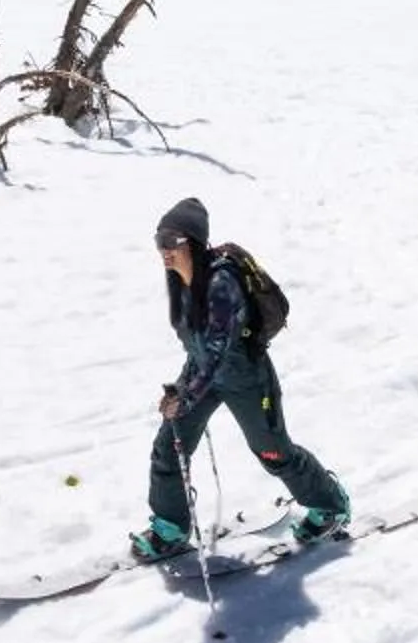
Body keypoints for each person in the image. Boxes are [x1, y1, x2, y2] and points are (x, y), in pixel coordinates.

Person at [132, 197, 351, 563]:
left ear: (194, 242)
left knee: (274, 452)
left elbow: (218, 352)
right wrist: (180, 391)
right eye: (159, 241)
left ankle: (330, 505)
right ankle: (170, 527)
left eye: (171, 241)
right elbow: (199, 349)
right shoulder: (181, 283)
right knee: (169, 445)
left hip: (247, 379)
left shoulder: (221, 284)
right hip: (203, 374)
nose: (164, 251)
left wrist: (185, 398)